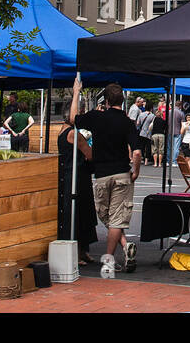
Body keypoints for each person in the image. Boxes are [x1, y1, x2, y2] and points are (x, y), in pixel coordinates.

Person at [69, 80, 142, 272]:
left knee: (106, 216)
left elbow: (73, 119)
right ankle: (124, 247)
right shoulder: (128, 122)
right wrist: (135, 171)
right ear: (122, 101)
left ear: (106, 101)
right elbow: (136, 152)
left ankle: (109, 259)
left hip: (101, 174)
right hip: (121, 173)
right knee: (116, 218)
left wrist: (76, 92)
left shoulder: (96, 117)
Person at [57, 120, 99, 265]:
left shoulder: (61, 131)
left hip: (67, 174)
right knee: (81, 214)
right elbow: (90, 154)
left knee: (75, 213)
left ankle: (82, 251)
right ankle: (78, 252)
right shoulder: (75, 134)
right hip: (78, 176)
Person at [151, 102, 168, 168]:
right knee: (161, 149)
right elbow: (166, 129)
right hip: (161, 135)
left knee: (154, 149)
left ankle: (155, 163)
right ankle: (160, 163)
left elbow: (151, 127)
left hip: (154, 134)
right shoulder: (164, 121)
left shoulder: (154, 120)